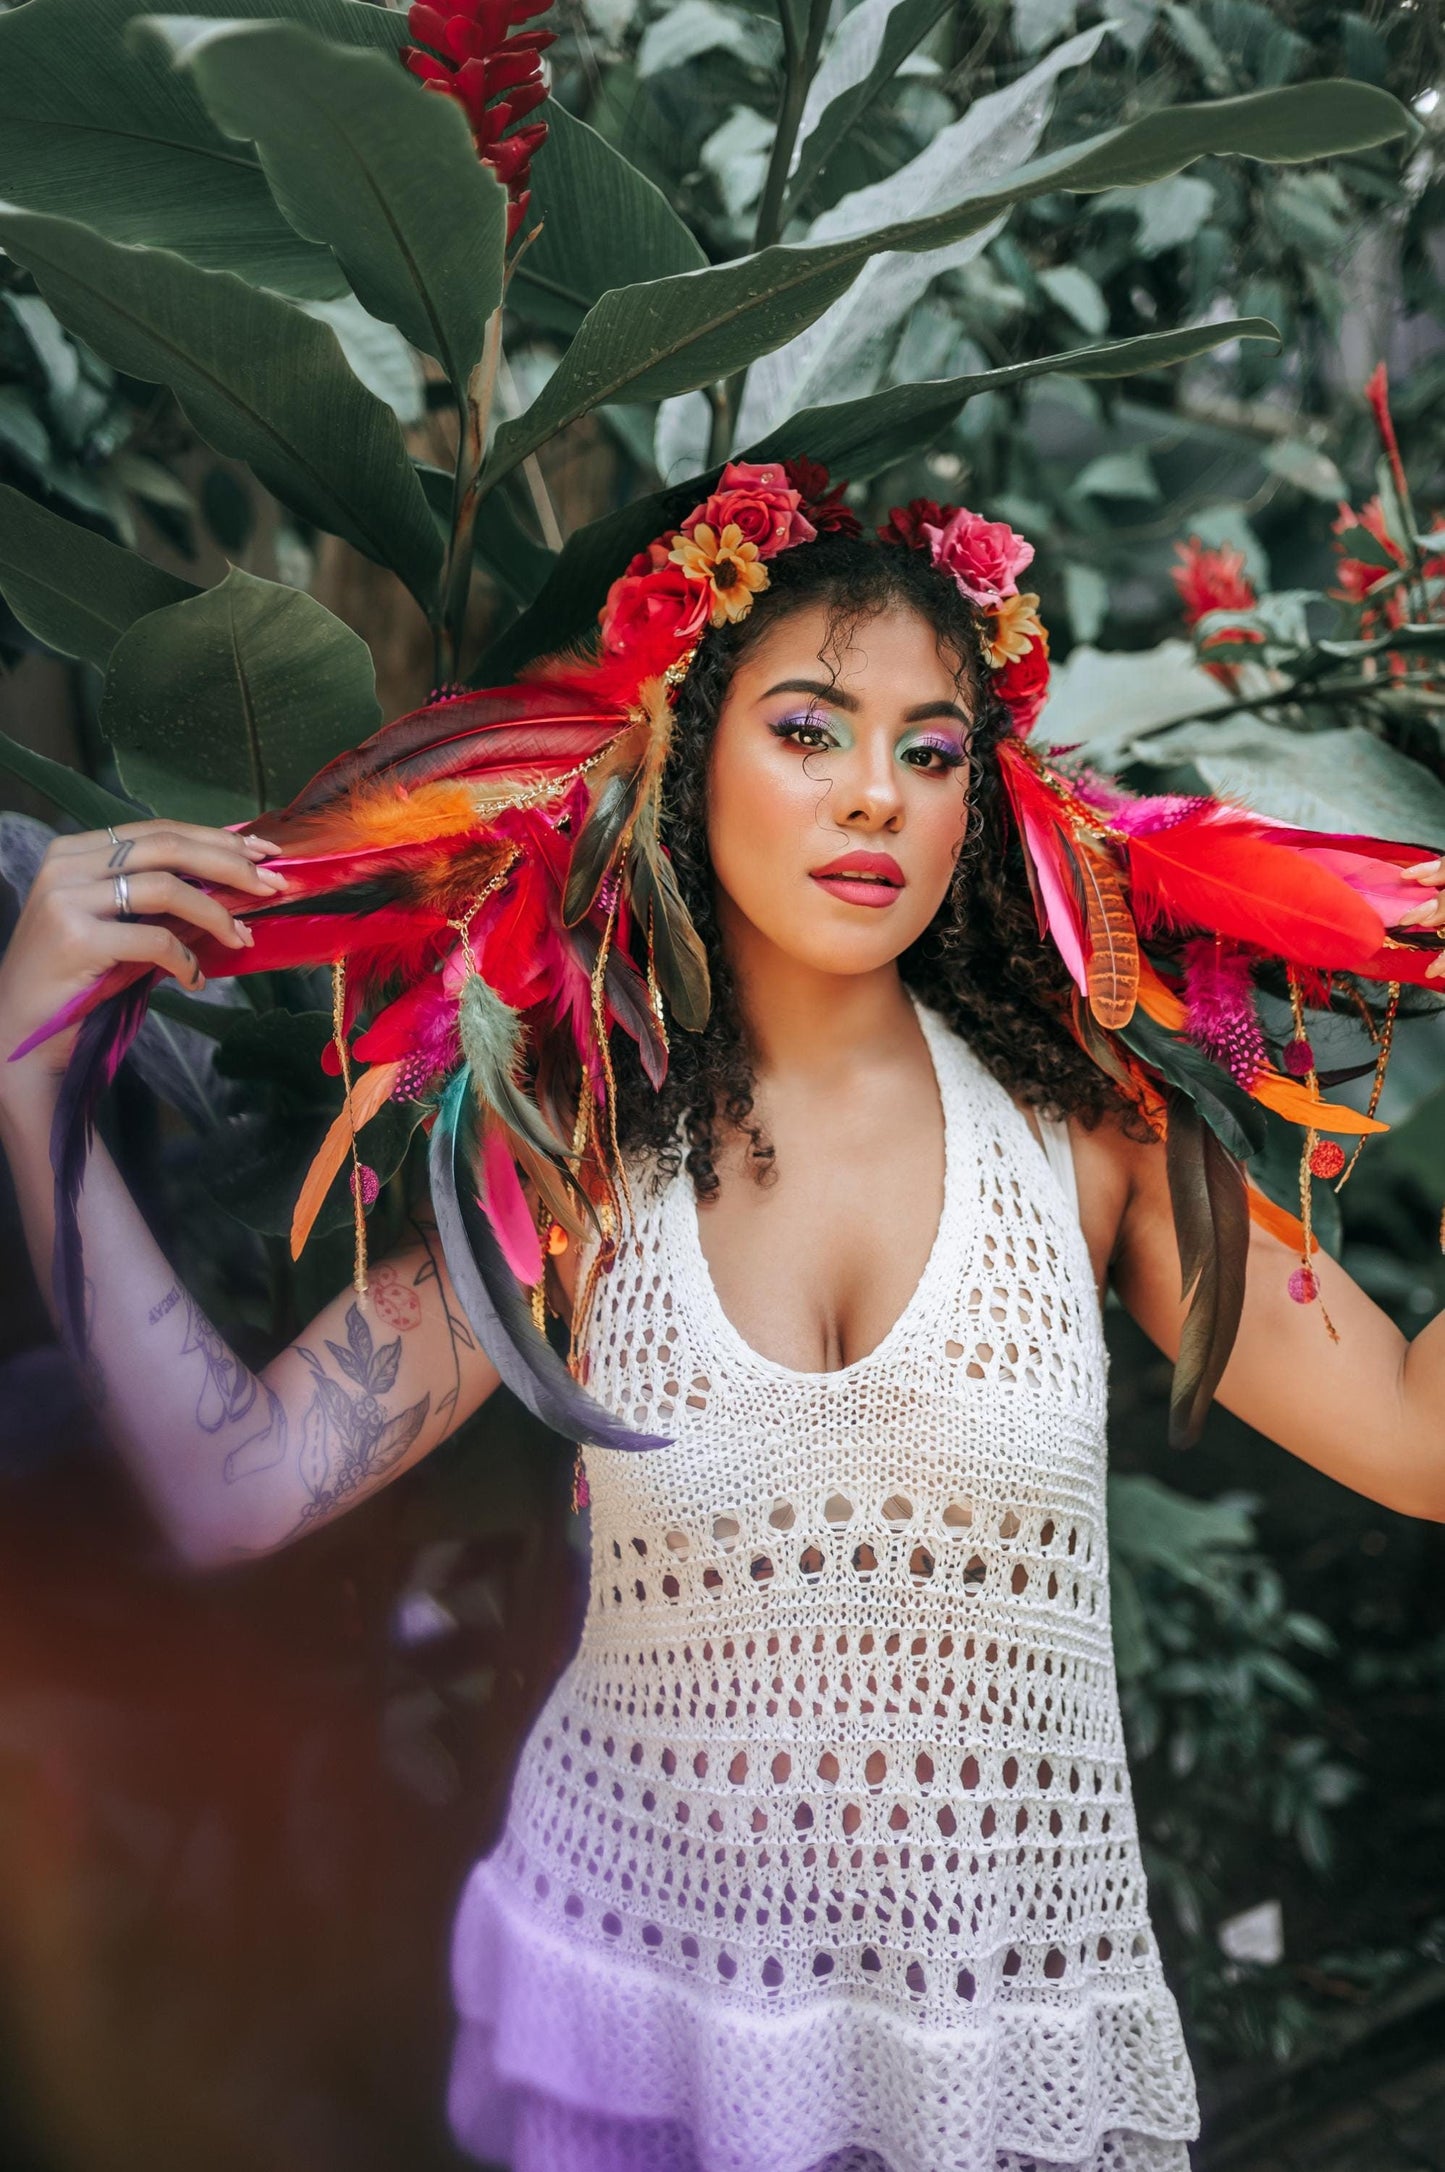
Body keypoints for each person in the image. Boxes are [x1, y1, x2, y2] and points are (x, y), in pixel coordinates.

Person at [2, 467, 1444, 2172]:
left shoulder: (1097, 1133)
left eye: (928, 749)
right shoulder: (579, 1141)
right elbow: (232, 1484)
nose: (874, 800)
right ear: (689, 754)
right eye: (809, 730)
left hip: (988, 2048)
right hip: (629, 2027)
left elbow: (1420, 1443)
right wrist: (28, 1072)